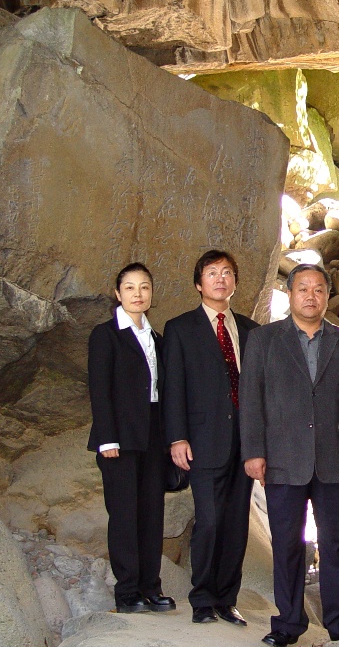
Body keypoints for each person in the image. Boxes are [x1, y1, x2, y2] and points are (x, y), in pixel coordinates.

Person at [240, 264, 339, 647]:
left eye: (318, 289)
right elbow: (251, 398)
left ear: (327, 295)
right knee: (287, 544)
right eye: (303, 288)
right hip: (282, 459)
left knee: (336, 544)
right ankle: (287, 622)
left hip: (333, 460)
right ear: (290, 294)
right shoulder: (264, 340)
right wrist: (253, 452)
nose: (311, 296)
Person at [163, 250, 258, 625]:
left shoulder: (250, 330)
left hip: (245, 443)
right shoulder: (180, 328)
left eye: (227, 273)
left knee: (236, 524)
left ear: (235, 282)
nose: (221, 279)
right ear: (198, 283)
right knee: (210, 520)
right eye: (212, 273)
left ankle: (226, 599)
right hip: (202, 440)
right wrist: (177, 437)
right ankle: (202, 598)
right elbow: (173, 387)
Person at [87, 262, 175, 614]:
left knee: (151, 513)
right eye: (130, 287)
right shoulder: (105, 335)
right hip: (120, 437)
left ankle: (151, 587)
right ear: (117, 293)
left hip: (154, 434)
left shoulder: (157, 339)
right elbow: (99, 389)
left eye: (144, 287)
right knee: (124, 515)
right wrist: (107, 439)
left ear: (151, 293)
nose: (138, 294)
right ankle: (127, 592)